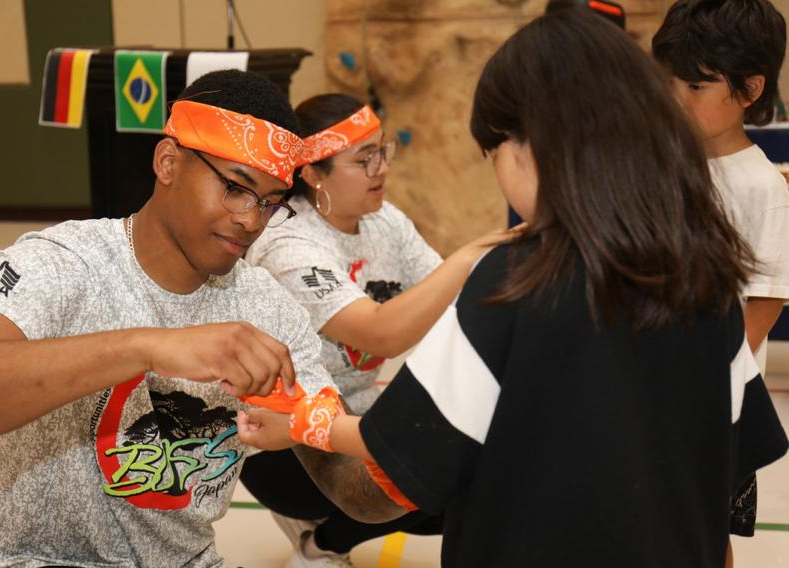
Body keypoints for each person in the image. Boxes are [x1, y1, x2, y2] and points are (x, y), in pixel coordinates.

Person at [238, 11, 789, 567]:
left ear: (528, 147)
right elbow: (726, 456)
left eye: (493, 152)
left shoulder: (509, 288)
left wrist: (307, 425)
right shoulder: (706, 273)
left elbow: (399, 447)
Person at [0, 70, 404, 568]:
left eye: (270, 203)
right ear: (168, 162)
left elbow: (350, 489)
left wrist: (424, 448)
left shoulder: (268, 310)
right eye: (235, 187)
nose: (251, 220)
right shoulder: (62, 263)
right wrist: (148, 347)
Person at [238, 93, 519, 566]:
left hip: (357, 417)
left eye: (383, 152)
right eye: (362, 159)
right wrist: (476, 253)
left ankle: (326, 538)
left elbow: (450, 299)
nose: (380, 169)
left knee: (469, 483)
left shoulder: (384, 220)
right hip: (281, 439)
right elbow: (379, 334)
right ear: (312, 174)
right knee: (427, 473)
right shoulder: (286, 241)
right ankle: (318, 533)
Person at [652, 0, 789, 561]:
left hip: (713, 398)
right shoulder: (662, 163)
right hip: (649, 380)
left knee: (703, 532)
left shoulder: (762, 186)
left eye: (697, 87)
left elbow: (768, 296)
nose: (677, 100)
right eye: (672, 83)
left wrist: (718, 375)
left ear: (750, 90)